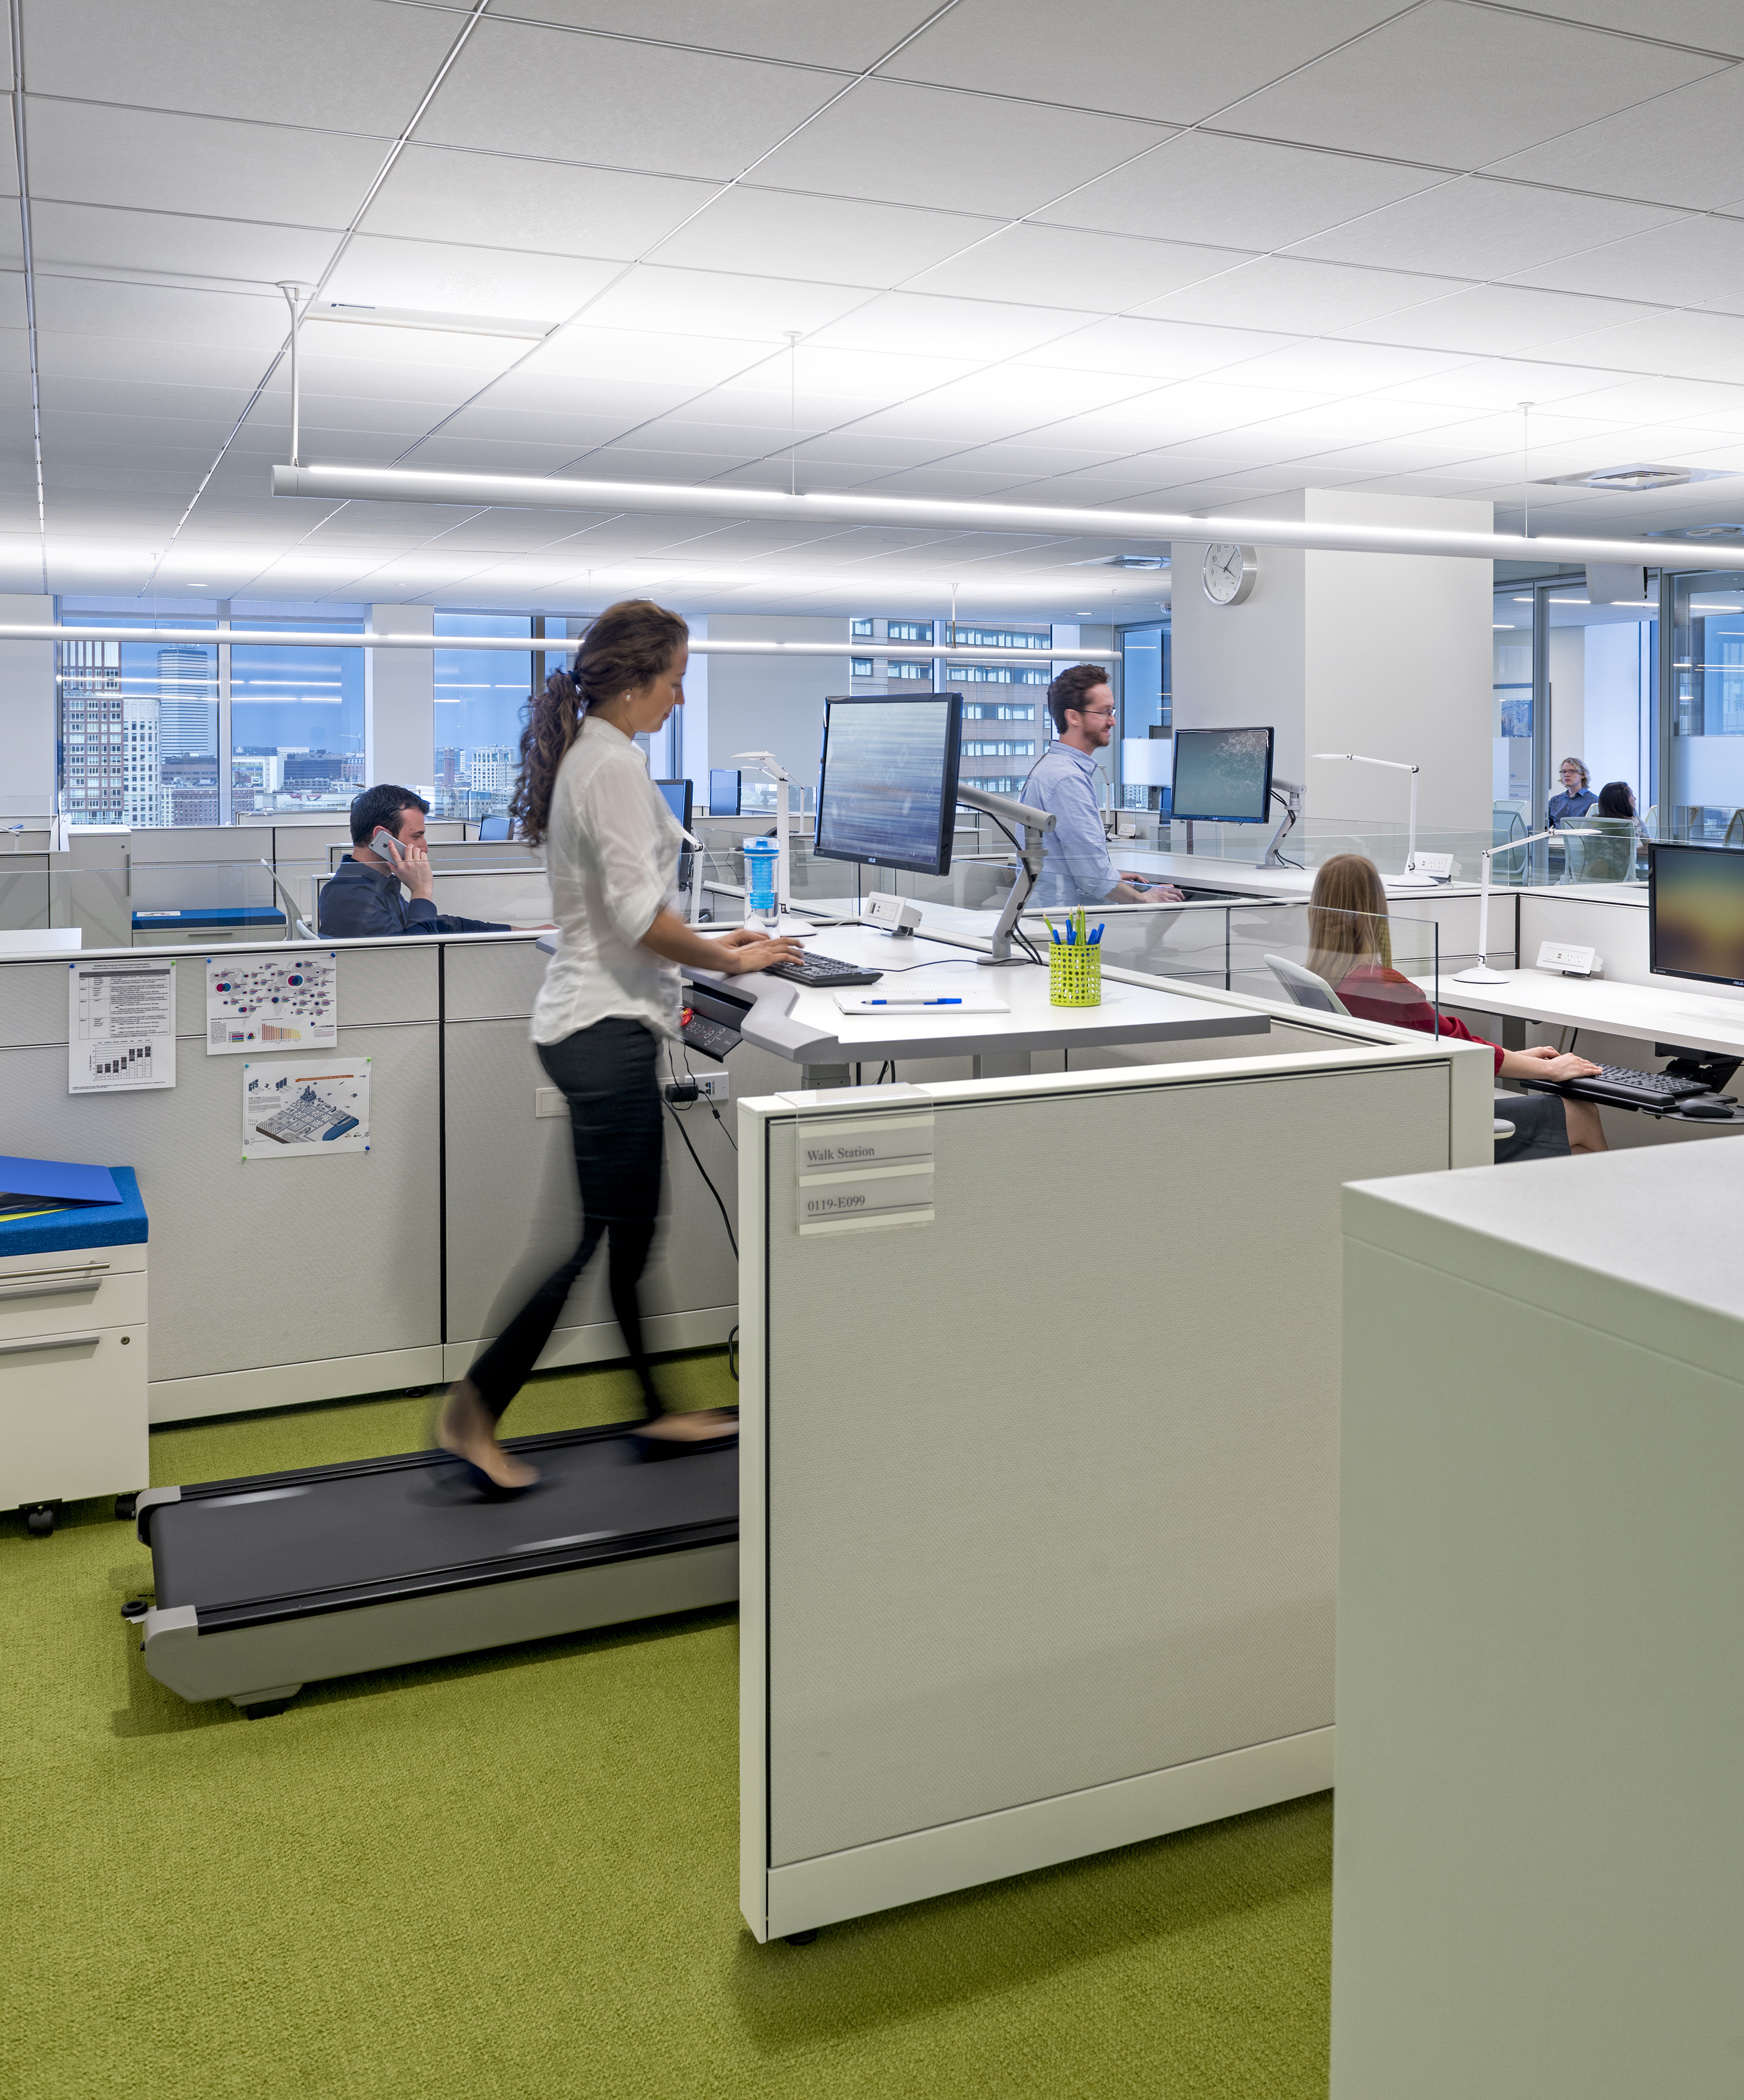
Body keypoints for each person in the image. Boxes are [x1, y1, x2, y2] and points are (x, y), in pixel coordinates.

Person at [435, 599, 803, 1491]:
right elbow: (641, 919)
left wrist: (730, 950)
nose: (679, 698)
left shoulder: (604, 758)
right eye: (674, 681)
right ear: (636, 681)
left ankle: (657, 1411)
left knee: (631, 1234)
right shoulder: (608, 769)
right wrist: (722, 951)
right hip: (598, 1030)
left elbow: (623, 910)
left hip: (602, 1023)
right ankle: (472, 1411)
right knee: (593, 1238)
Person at [1305, 853, 1608, 1162]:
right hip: (1427, 1125)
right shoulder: (1381, 987)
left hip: (1383, 1120)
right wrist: (1550, 1068)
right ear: (1375, 912)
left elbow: (1453, 1039)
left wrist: (1518, 1058)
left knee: (1573, 1151)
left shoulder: (1318, 978)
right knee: (1582, 1114)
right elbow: (1460, 1047)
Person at [1021, 665, 1185, 907]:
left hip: (1058, 913)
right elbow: (1093, 878)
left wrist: (1113, 878)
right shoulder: (1067, 779)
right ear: (1073, 716)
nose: (1113, 721)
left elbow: (1078, 864)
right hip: (1064, 925)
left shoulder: (1056, 768)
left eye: (1112, 711)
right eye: (1104, 712)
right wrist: (1142, 898)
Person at [319, 785, 510, 938]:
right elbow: (416, 960)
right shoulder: (355, 897)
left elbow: (437, 925)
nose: (424, 848)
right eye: (417, 836)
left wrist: (516, 932)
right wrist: (421, 891)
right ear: (382, 839)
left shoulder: (373, 884)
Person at [1547, 756, 1597, 829]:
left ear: (1582, 774)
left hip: (1580, 839)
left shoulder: (1593, 801)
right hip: (1556, 839)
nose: (1566, 775)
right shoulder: (1555, 801)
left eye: (1572, 771)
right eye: (1564, 772)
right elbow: (1541, 826)